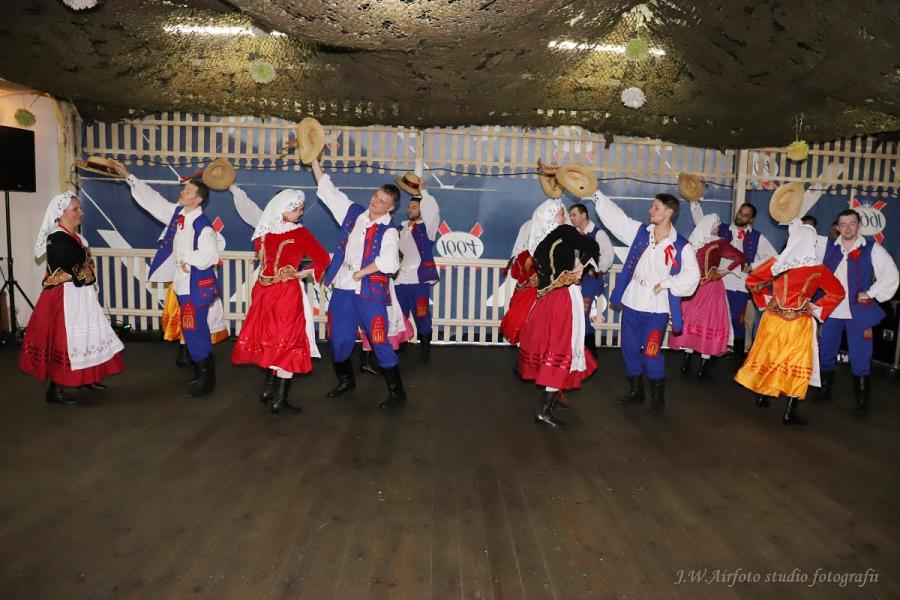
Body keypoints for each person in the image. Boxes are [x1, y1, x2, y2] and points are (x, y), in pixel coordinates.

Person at [115, 165, 223, 396]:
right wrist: (129, 177)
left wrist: (187, 258)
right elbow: (154, 201)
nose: (183, 192)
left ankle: (206, 380)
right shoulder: (179, 215)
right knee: (193, 329)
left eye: (188, 191)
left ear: (198, 199)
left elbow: (211, 255)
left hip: (195, 286)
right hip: (185, 284)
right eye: (185, 189)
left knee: (194, 329)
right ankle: (203, 376)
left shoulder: (201, 225)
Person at [309, 158, 406, 408]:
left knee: (379, 340)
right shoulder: (354, 213)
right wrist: (313, 161)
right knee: (338, 339)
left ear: (391, 208)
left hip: (369, 291)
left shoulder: (389, 230)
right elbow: (329, 191)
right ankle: (346, 380)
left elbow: (390, 262)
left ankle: (397, 393)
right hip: (344, 287)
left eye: (383, 201)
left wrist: (363, 272)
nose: (376, 202)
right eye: (376, 196)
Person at [593, 190, 700, 415]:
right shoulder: (641, 233)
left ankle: (658, 398)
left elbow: (693, 276)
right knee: (629, 348)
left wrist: (667, 283)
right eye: (652, 206)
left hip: (656, 309)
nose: (651, 210)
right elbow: (618, 220)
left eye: (656, 207)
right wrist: (596, 194)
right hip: (633, 302)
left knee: (651, 352)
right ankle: (636, 391)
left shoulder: (681, 246)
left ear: (669, 212)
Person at [734, 221, 845, 426]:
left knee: (771, 357)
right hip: (798, 322)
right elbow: (838, 292)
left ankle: (763, 396)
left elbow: (751, 281)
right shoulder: (817, 270)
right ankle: (789, 412)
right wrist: (815, 308)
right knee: (796, 363)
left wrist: (767, 300)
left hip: (773, 320)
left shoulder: (777, 263)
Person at [230, 189, 330, 414]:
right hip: (286, 293)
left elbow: (261, 255)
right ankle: (279, 400)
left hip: (264, 292)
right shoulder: (300, 233)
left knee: (270, 339)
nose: (301, 213)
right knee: (288, 342)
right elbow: (323, 258)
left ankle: (268, 391)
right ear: (285, 210)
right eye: (297, 209)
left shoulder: (264, 232)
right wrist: (300, 273)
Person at [19, 192, 124, 404]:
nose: (80, 213)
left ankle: (86, 378)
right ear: (61, 213)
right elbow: (74, 266)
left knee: (88, 336)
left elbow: (85, 267)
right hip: (65, 297)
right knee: (67, 340)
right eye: (75, 209)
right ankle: (55, 389)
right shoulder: (57, 238)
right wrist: (84, 268)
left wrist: (84, 269)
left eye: (80, 208)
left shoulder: (78, 238)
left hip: (80, 293)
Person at [517, 199, 600, 427]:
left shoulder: (538, 243)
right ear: (553, 217)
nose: (566, 217)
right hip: (564, 298)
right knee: (562, 348)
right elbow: (592, 246)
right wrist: (581, 266)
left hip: (546, 301)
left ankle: (554, 395)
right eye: (562, 213)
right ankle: (544, 410)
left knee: (552, 348)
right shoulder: (563, 232)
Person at [814, 209, 899, 415]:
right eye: (843, 224)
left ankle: (862, 401)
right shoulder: (825, 245)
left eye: (852, 223)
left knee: (861, 355)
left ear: (859, 225)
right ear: (837, 227)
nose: (847, 228)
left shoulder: (872, 248)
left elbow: (891, 275)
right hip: (832, 310)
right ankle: (824, 390)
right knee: (825, 350)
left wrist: (871, 293)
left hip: (859, 312)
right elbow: (802, 240)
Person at [690, 201, 777, 365]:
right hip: (717, 283)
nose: (741, 216)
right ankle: (711, 356)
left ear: (751, 219)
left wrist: (753, 266)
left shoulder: (757, 237)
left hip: (739, 286)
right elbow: (701, 222)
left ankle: (738, 361)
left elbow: (773, 256)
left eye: (745, 215)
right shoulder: (721, 228)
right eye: (740, 212)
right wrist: (694, 202)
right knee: (715, 320)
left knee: (738, 321)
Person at [669, 213, 745, 378]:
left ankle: (686, 362)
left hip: (694, 289)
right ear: (711, 226)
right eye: (717, 225)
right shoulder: (719, 243)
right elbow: (740, 257)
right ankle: (702, 367)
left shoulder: (691, 244)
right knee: (710, 323)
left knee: (691, 321)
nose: (718, 228)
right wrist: (724, 271)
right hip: (712, 288)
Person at [394, 172, 441, 360]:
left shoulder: (427, 229)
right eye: (409, 206)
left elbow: (433, 211)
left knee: (422, 314)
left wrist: (424, 192)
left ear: (422, 209)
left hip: (418, 279)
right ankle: (400, 345)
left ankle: (425, 351)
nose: (409, 209)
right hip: (399, 280)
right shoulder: (400, 228)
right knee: (399, 314)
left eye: (414, 207)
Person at [568, 203, 615, 356]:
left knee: (582, 314)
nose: (571, 218)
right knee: (576, 314)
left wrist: (594, 270)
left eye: (574, 215)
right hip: (575, 280)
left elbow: (608, 256)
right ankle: (581, 353)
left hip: (589, 281)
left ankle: (589, 354)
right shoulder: (574, 234)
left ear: (584, 215)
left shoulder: (598, 234)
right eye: (570, 215)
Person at [500, 218, 537, 347]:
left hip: (520, 294)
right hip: (533, 295)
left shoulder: (520, 255)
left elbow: (515, 274)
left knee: (518, 323)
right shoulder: (536, 254)